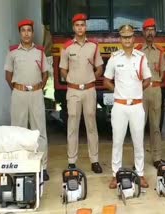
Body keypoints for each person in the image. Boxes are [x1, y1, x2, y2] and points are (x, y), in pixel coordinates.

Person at [104, 24, 151, 189]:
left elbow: (147, 79)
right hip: (120, 106)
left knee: (138, 142)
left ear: (134, 38)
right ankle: (115, 175)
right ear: (120, 39)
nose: (127, 40)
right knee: (117, 142)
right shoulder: (114, 58)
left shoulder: (141, 57)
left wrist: (137, 90)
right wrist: (117, 90)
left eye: (130, 36)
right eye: (124, 37)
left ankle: (140, 174)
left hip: (137, 106)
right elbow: (106, 80)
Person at [4, 19, 49, 180]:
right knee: (18, 130)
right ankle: (19, 166)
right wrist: (18, 89)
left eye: (29, 30)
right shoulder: (13, 52)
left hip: (36, 93)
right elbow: (8, 76)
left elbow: (46, 73)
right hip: (19, 94)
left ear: (33, 33)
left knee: (39, 131)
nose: (26, 33)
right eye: (23, 30)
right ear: (20, 33)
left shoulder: (40, 52)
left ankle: (43, 167)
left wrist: (39, 87)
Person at [59, 13, 103, 173]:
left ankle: (95, 160)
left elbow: (100, 67)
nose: (80, 28)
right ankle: (71, 161)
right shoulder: (67, 47)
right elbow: (62, 69)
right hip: (73, 91)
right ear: (73, 27)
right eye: (77, 25)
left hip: (90, 90)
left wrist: (93, 76)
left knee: (92, 125)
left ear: (86, 27)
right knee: (72, 126)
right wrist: (70, 78)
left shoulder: (93, 46)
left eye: (82, 25)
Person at [135, 18, 165, 169]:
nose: (149, 33)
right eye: (147, 30)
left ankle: (157, 157)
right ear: (143, 32)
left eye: (152, 30)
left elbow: (164, 73)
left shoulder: (160, 51)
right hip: (141, 90)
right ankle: (138, 160)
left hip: (155, 91)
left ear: (155, 32)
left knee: (155, 126)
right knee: (139, 126)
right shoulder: (137, 51)